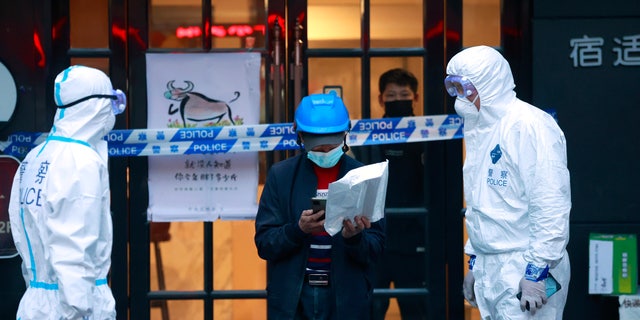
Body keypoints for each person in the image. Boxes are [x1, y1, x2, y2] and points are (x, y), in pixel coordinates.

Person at [446, 45, 571, 319]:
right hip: (492, 264)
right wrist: (475, 260)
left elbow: (550, 202)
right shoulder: (480, 128)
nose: (459, 97)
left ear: (489, 83)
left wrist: (537, 270)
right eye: (453, 87)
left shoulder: (529, 125)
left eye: (464, 87)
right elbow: (482, 203)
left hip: (525, 265)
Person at [254, 93, 386, 319]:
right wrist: (298, 230)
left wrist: (354, 237)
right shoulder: (281, 176)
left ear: (345, 134)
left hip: (346, 295)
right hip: (293, 297)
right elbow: (265, 243)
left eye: (332, 142)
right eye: (317, 143)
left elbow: (377, 247)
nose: (325, 149)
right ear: (300, 136)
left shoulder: (364, 176)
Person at [8, 65, 125, 319]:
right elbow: (75, 243)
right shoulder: (81, 160)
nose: (114, 113)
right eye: (112, 104)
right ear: (97, 106)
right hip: (72, 308)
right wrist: (78, 308)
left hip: (35, 302)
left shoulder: (35, 157)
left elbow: (21, 230)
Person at [369, 68, 428, 320]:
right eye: (391, 95)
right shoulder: (367, 136)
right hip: (373, 238)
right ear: (381, 99)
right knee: (369, 310)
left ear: (415, 97)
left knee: (416, 310)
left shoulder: (428, 133)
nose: (397, 100)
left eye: (403, 94)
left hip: (415, 240)